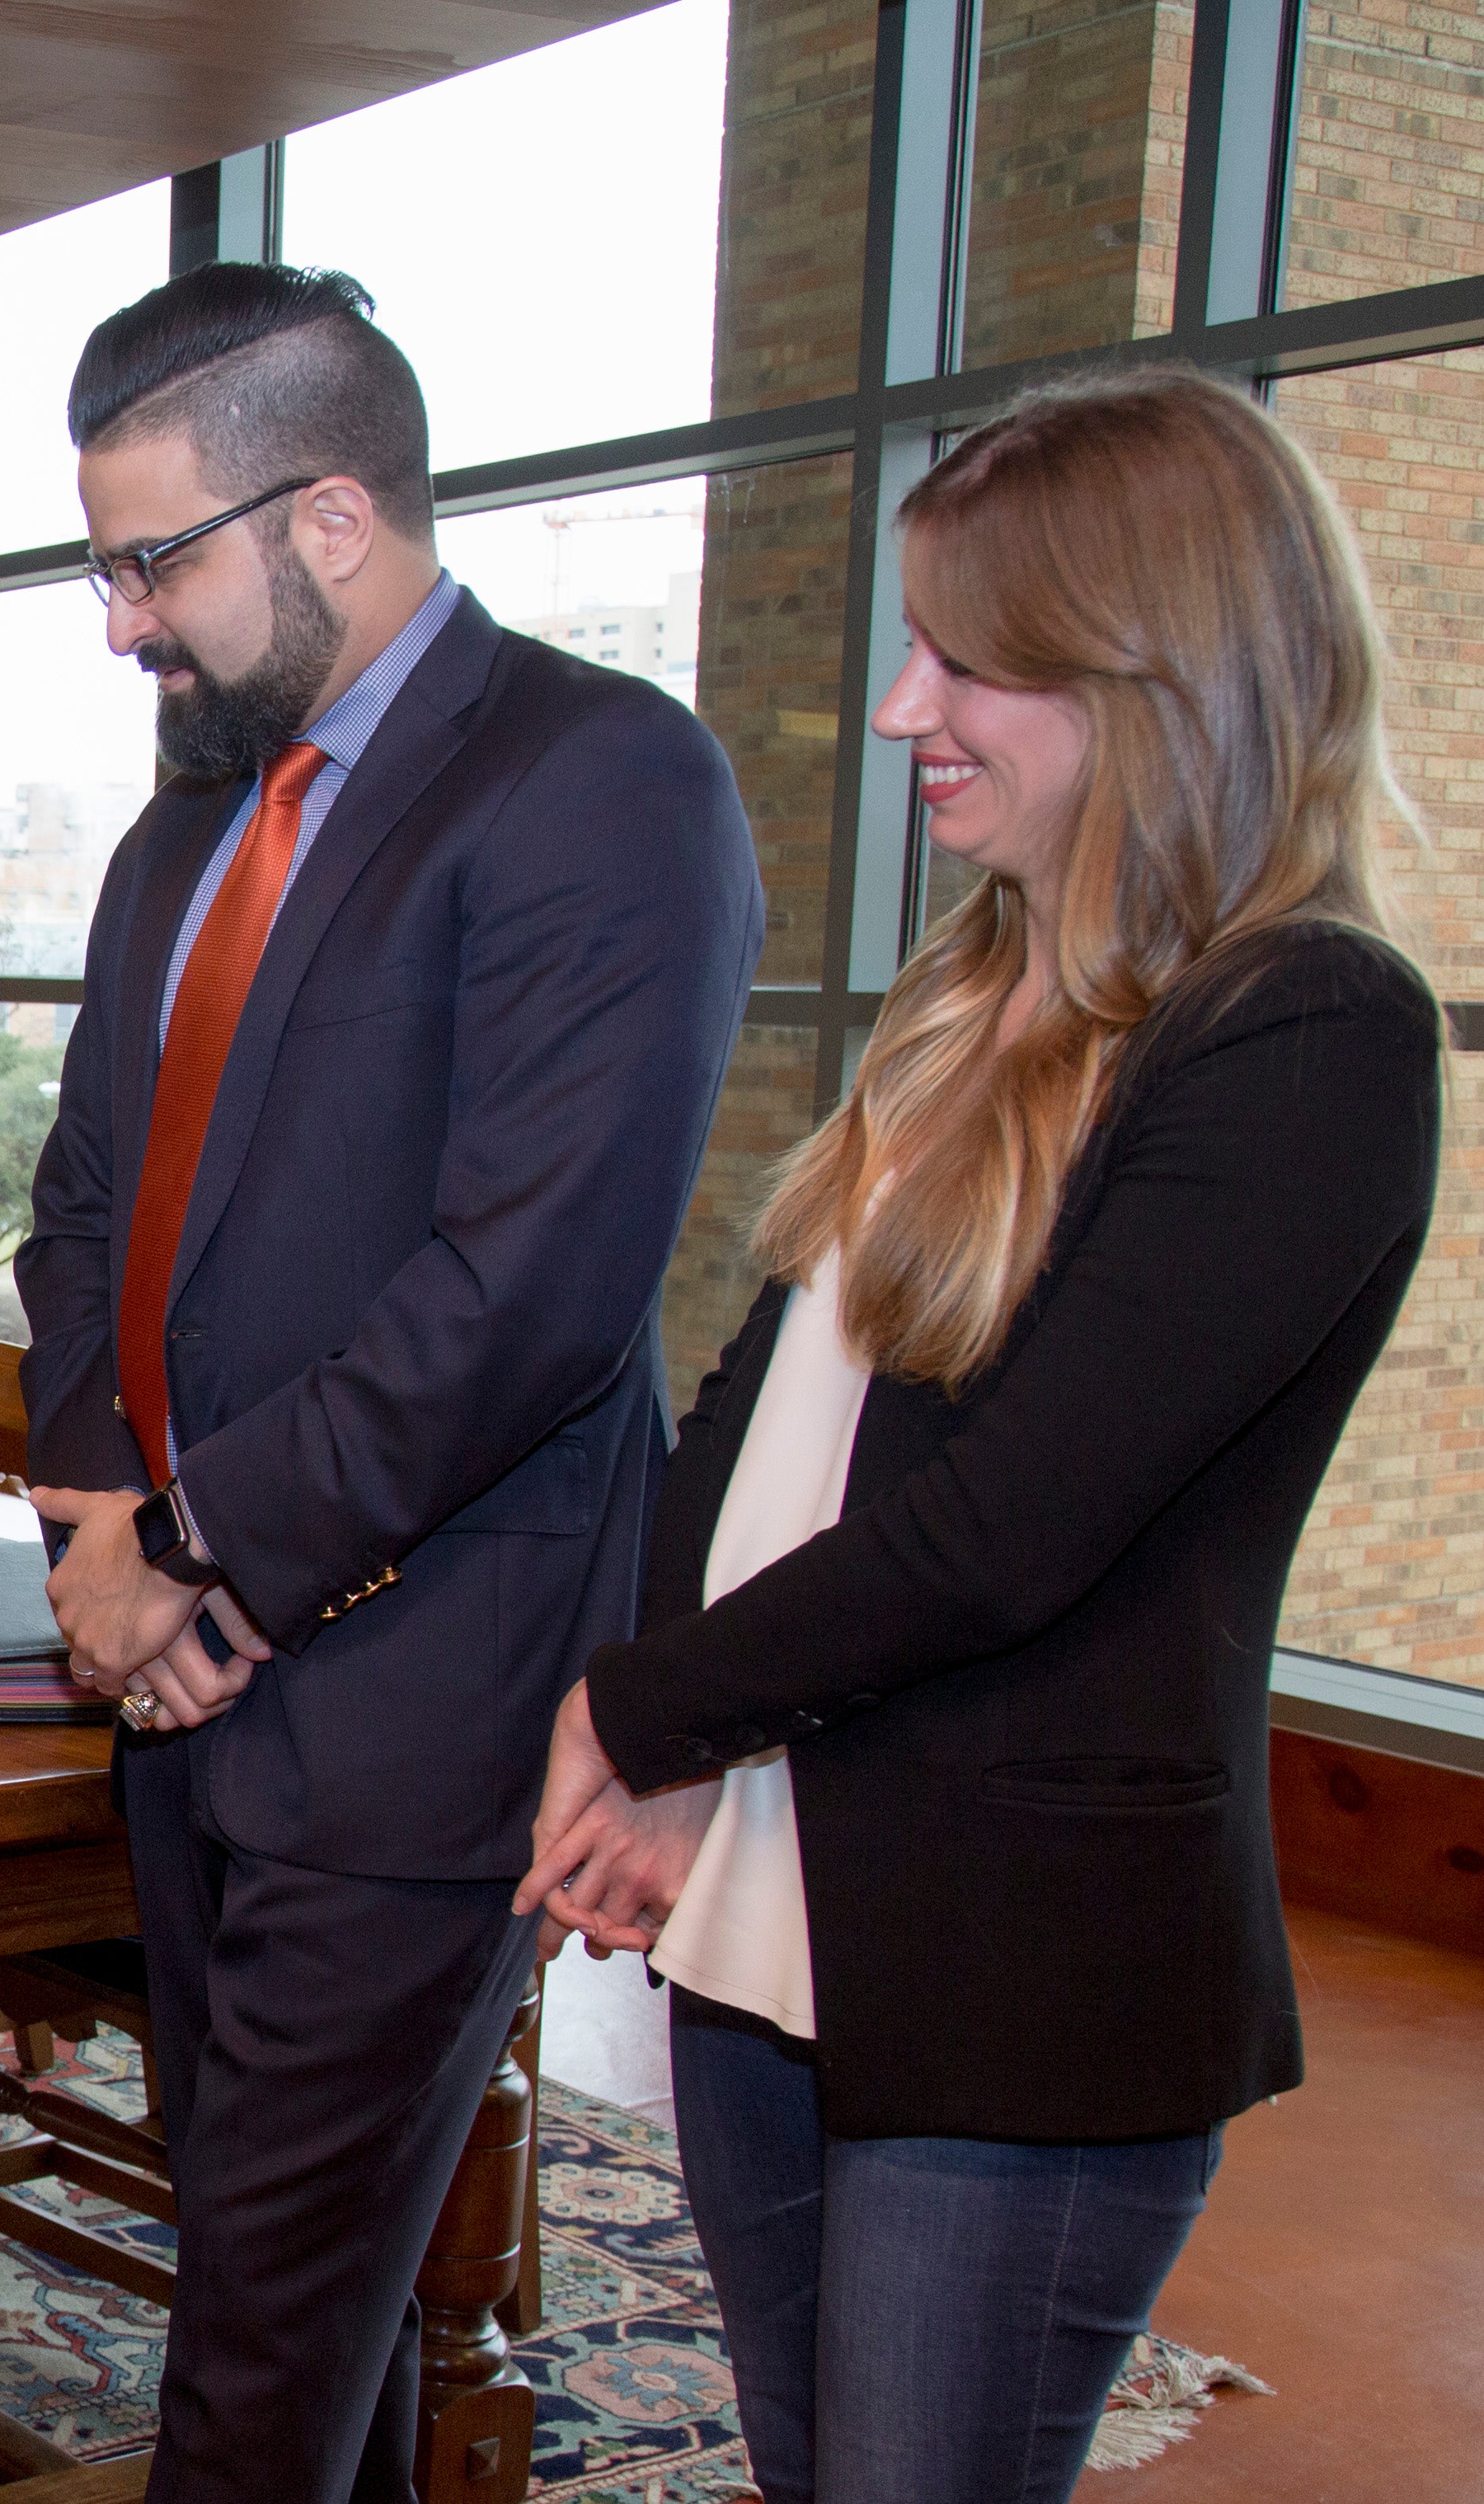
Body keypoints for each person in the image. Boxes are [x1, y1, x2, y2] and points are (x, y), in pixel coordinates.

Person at [517, 369, 1444, 2504]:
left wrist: (628, 1701)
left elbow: (1005, 1530)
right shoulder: (969, 989)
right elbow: (761, 1413)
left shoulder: (1305, 1026)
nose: (901, 697)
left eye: (970, 651)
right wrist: (667, 1772)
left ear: (1157, 667)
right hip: (776, 1909)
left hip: (1021, 1970)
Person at [12, 261, 762, 2502]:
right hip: (172, 1666)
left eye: (153, 560)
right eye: (106, 563)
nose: (121, 623)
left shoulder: (599, 782)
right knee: (237, 2263)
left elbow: (522, 1294)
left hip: (413, 1674)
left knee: (269, 2336)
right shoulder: (181, 830)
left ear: (328, 513)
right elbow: (74, 1209)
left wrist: (201, 1551)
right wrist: (90, 1528)